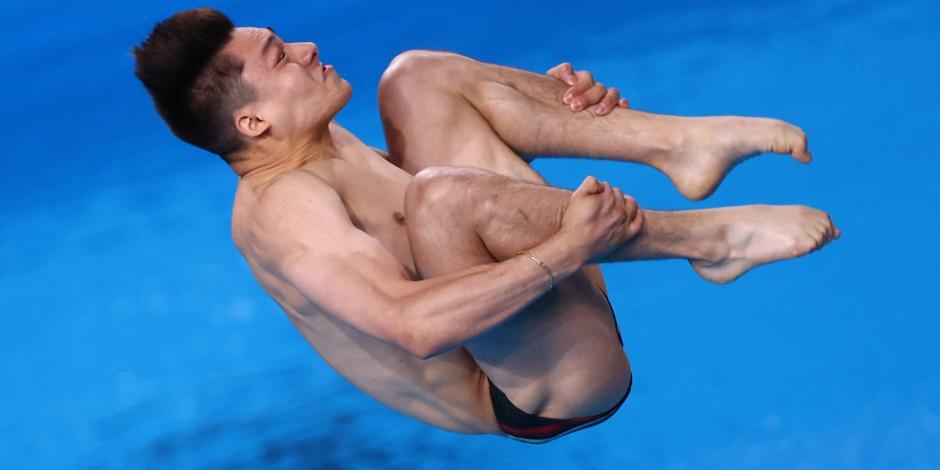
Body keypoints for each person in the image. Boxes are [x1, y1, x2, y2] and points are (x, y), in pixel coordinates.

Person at [133, 8, 839, 443]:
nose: (309, 47)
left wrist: (552, 102)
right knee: (442, 198)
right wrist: (568, 248)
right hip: (537, 390)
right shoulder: (285, 213)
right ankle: (709, 240)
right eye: (281, 59)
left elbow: (442, 199)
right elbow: (415, 326)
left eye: (286, 41)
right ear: (253, 123)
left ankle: (675, 144)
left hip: (526, 304)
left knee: (416, 77)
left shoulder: (315, 138)